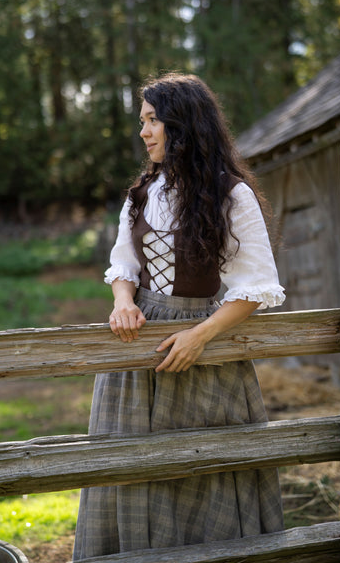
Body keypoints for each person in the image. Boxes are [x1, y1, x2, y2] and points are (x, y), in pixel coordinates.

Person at [73, 72, 285, 560]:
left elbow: (255, 286)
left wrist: (200, 336)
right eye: (142, 122)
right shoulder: (142, 194)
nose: (144, 132)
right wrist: (123, 302)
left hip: (203, 345)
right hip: (139, 347)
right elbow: (123, 263)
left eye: (152, 121)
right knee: (129, 463)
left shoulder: (233, 194)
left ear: (182, 124)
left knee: (205, 467)